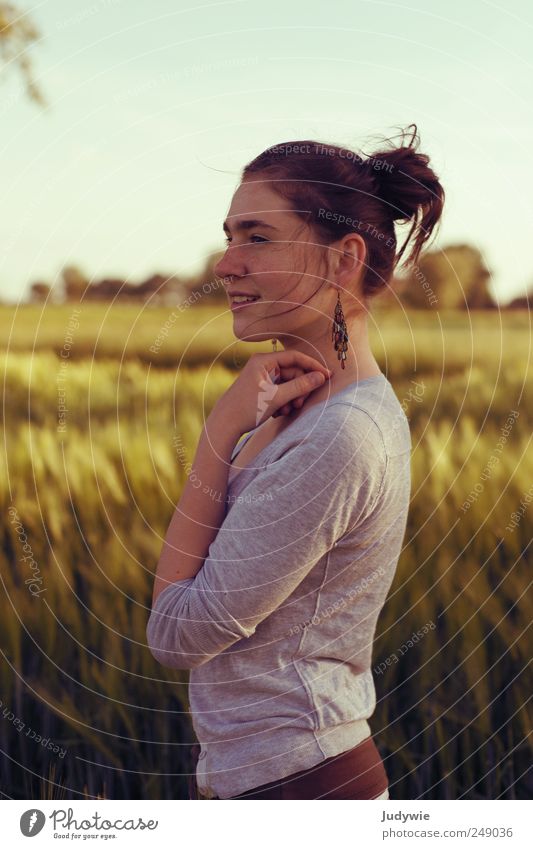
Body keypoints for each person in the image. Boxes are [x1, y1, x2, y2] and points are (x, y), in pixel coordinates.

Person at [146, 124, 445, 800]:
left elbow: (176, 633)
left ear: (342, 261)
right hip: (268, 780)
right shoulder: (301, 413)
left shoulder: (339, 435)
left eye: (256, 236)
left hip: (300, 787)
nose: (225, 263)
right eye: (228, 236)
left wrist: (218, 431)